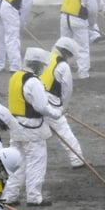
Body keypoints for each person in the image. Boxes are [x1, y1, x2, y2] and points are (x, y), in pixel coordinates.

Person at [4, 48, 63, 206]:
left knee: (17, 162)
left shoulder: (15, 76)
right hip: (32, 128)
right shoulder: (33, 82)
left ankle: (10, 195)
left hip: (15, 126)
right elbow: (41, 106)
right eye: (42, 65)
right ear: (37, 64)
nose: (43, 68)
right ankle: (34, 197)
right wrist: (57, 114)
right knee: (36, 161)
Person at [40, 37, 84, 168]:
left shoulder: (44, 58)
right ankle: (78, 160)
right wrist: (63, 108)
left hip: (35, 98)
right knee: (63, 130)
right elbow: (67, 89)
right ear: (66, 53)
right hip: (51, 102)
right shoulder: (63, 66)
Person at [59, 0, 100, 80]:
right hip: (78, 20)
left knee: (63, 47)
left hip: (64, 18)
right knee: (82, 48)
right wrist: (92, 25)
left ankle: (59, 73)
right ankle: (83, 74)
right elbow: (93, 11)